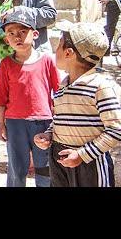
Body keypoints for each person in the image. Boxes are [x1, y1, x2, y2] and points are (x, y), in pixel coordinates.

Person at [34, 21, 121, 187]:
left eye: (58, 46)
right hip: (60, 159)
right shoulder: (63, 85)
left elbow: (116, 129)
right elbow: (61, 119)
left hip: (90, 165)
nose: (55, 50)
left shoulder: (100, 87)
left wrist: (82, 154)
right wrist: (49, 135)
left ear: (68, 53)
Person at [0, 10, 59, 187]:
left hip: (43, 122)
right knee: (16, 167)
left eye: (23, 31)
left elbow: (58, 92)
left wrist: (58, 122)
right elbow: (1, 99)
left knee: (45, 167)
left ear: (35, 34)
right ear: (6, 39)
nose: (18, 37)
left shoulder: (47, 61)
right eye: (11, 33)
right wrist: (1, 124)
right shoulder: (6, 64)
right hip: (15, 123)